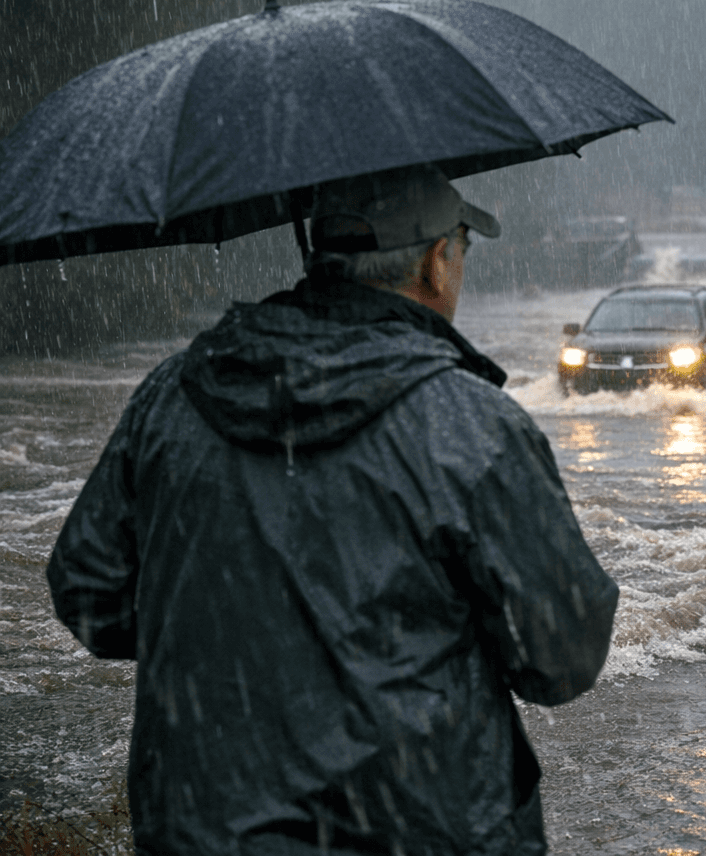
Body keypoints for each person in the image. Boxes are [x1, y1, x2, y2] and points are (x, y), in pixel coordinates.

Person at [48, 168, 619, 856]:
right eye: (462, 247)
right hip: (422, 830)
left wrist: (241, 634)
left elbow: (90, 594)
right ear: (438, 262)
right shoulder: (472, 425)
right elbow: (560, 659)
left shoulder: (173, 394)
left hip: (200, 828)